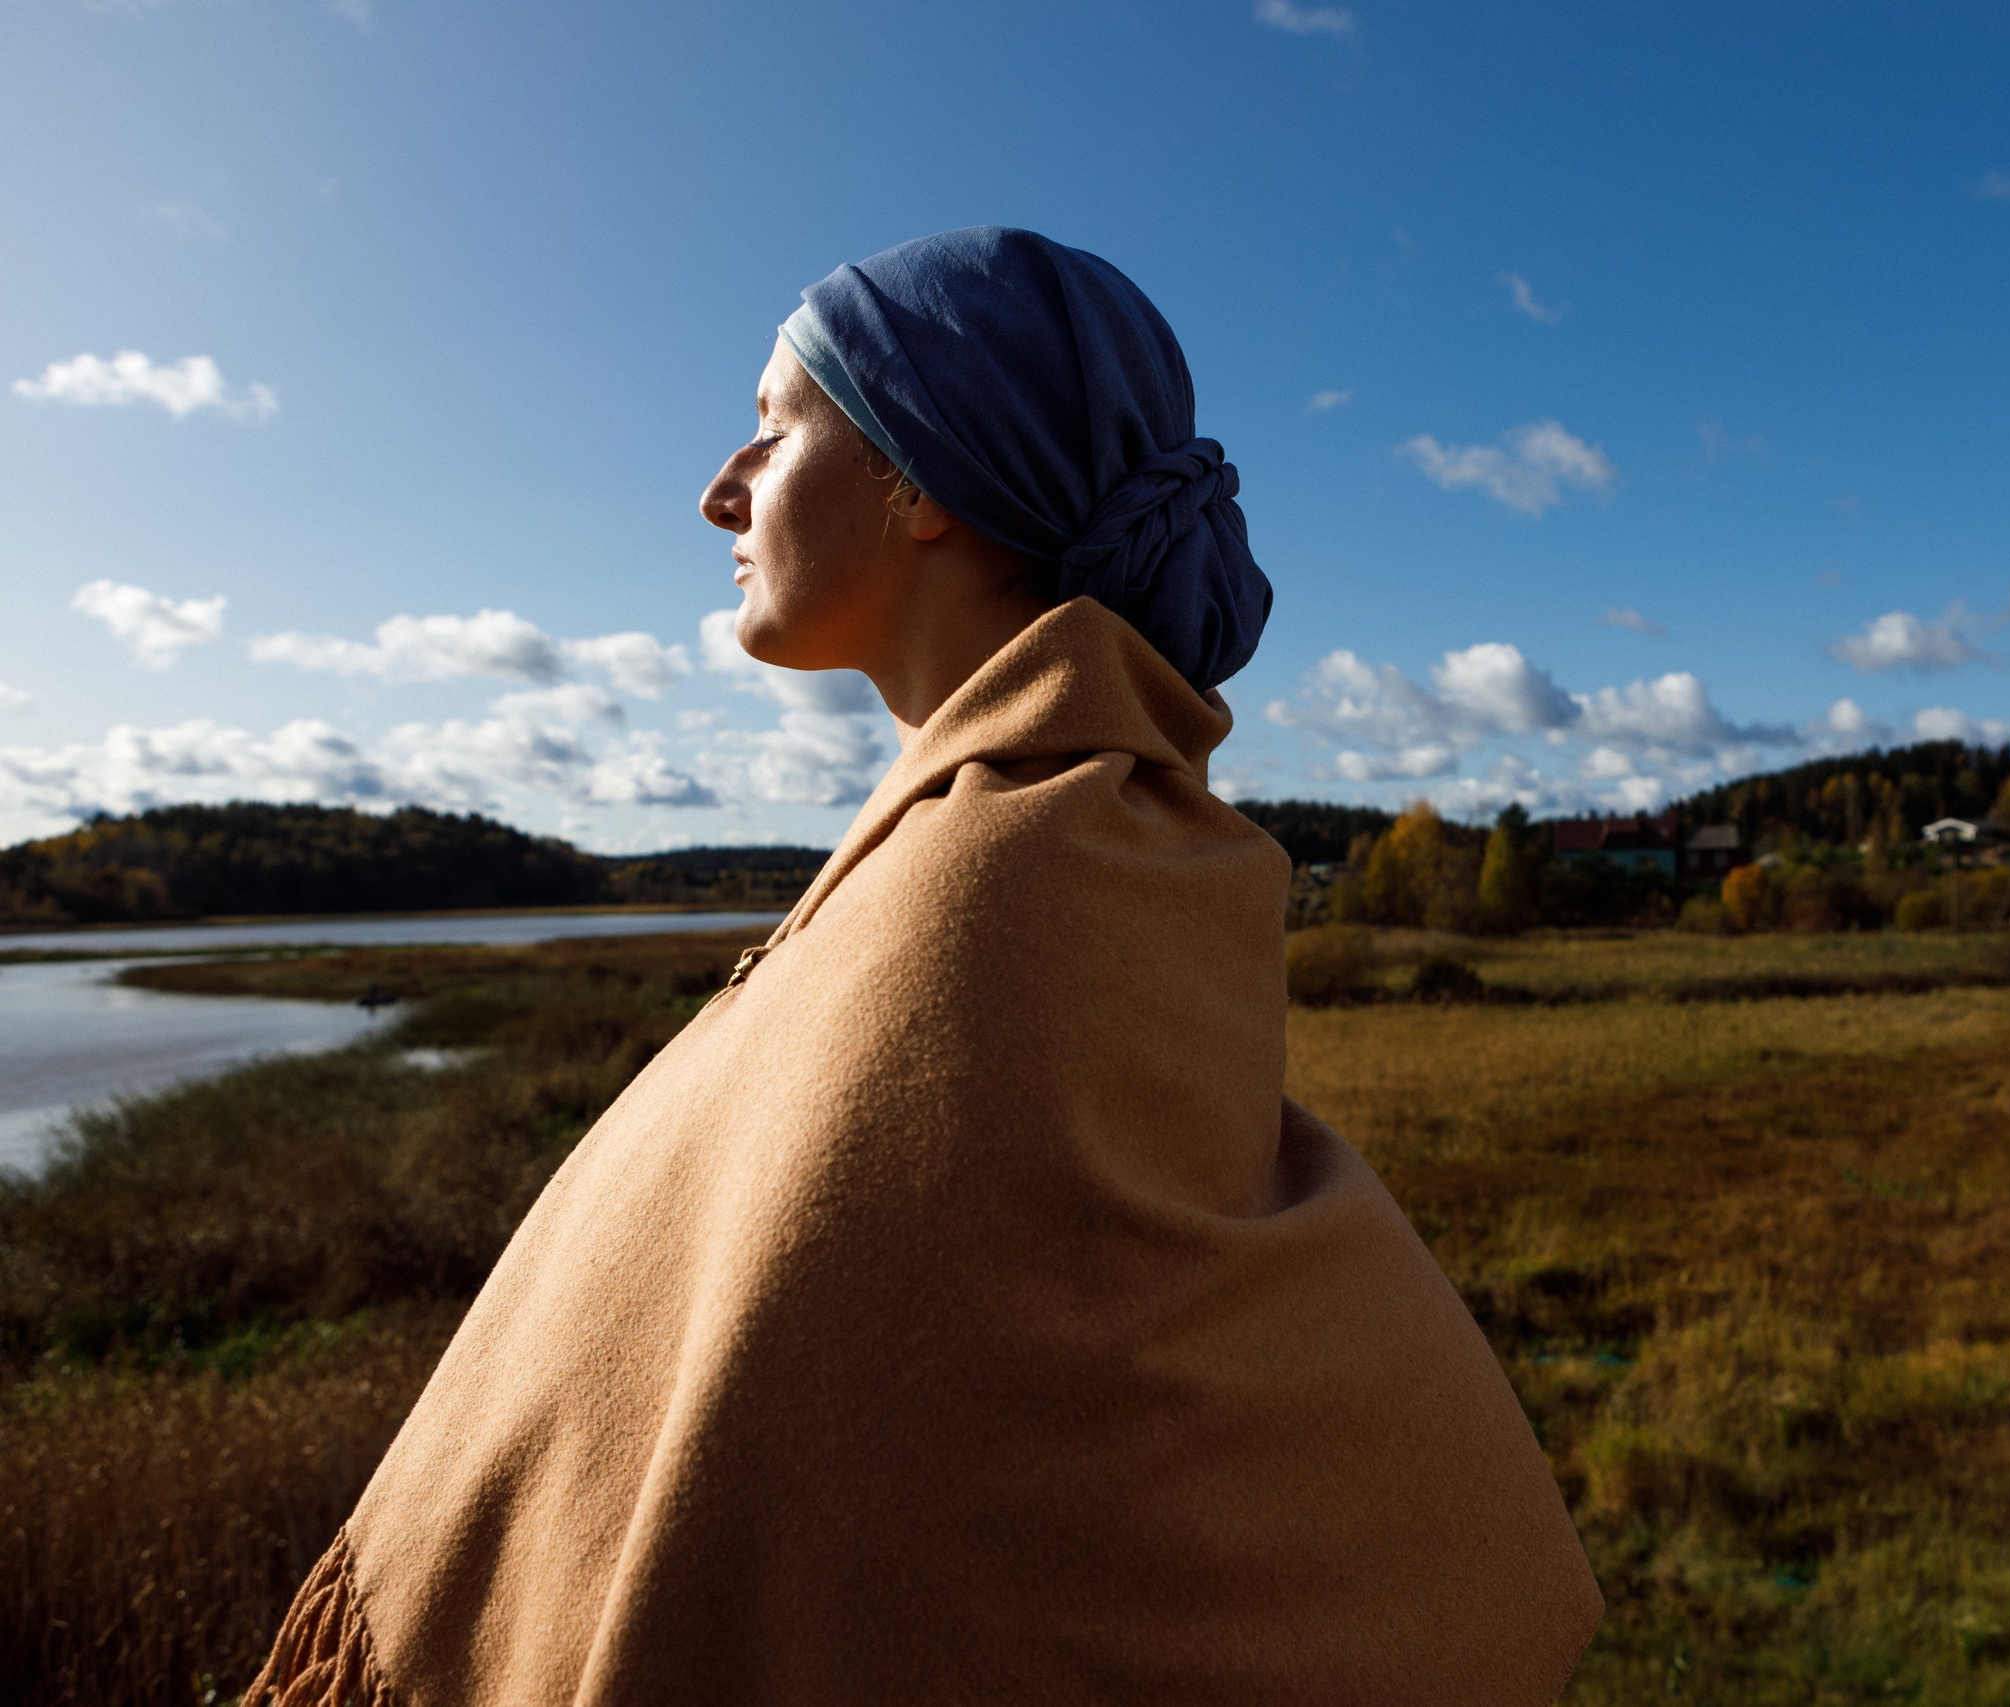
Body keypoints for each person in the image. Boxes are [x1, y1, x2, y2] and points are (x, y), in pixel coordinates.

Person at [251, 227, 1600, 1705]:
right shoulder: (1081, 837)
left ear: (923, 482)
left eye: (775, 428)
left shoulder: (996, 886)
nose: (721, 488)